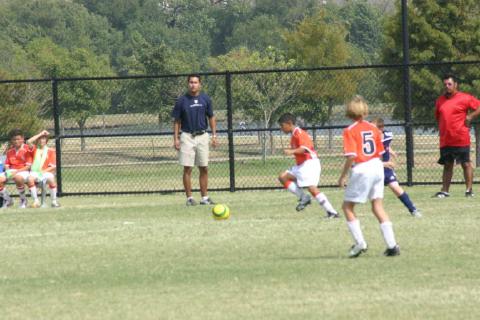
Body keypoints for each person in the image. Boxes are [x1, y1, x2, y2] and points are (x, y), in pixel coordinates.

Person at [338, 96, 399, 258]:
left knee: (347, 207)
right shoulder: (374, 129)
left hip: (362, 169)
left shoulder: (349, 130)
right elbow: (379, 153)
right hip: (377, 167)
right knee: (377, 206)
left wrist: (343, 176)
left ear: (349, 113)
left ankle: (360, 244)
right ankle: (392, 245)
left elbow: (351, 156)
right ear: (365, 111)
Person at [277, 113, 339, 218]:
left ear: (289, 123)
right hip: (302, 165)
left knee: (312, 188)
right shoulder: (294, 135)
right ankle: (304, 197)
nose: (281, 128)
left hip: (310, 164)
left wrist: (291, 151)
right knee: (283, 177)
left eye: (282, 125)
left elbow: (305, 149)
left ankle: (332, 212)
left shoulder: (299, 133)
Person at [172, 74, 218, 206]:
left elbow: (211, 117)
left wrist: (214, 136)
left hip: (202, 136)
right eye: (191, 82)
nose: (193, 84)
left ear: (200, 84)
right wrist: (176, 139)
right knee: (188, 168)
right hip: (187, 137)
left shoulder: (205, 99)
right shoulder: (182, 101)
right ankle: (190, 198)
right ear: (188, 84)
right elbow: (177, 121)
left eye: (196, 82)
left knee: (204, 167)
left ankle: (205, 198)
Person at [434, 74, 480, 198]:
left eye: (449, 84)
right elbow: (439, 118)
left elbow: (478, 107)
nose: (447, 86)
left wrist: (470, 116)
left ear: (455, 85)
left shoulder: (465, 98)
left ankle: (469, 190)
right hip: (446, 139)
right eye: (445, 84)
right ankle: (444, 191)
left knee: (466, 164)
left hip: (461, 138)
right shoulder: (440, 100)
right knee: (448, 164)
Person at [372, 118, 421, 218]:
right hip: (374, 168)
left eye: (373, 128)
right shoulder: (370, 140)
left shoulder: (387, 136)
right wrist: (382, 163)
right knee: (366, 192)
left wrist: (392, 152)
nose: (370, 130)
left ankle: (413, 209)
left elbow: (386, 146)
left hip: (386, 169)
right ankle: (348, 209)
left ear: (381, 128)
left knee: (395, 187)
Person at [0, 128, 38, 208]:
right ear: (11, 140)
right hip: (12, 171)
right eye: (14, 139)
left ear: (23, 139)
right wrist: (7, 171)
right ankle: (8, 200)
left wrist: (16, 172)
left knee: (18, 178)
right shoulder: (10, 151)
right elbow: (7, 164)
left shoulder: (27, 149)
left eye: (18, 139)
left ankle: (23, 200)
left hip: (23, 171)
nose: (16, 141)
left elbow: (28, 167)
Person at [27, 130, 60, 208]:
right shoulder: (35, 149)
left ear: (46, 141)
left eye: (44, 138)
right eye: (40, 139)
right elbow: (28, 141)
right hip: (35, 172)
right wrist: (40, 133)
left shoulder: (51, 151)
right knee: (30, 179)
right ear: (37, 140)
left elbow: (53, 166)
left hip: (45, 172)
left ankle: (54, 201)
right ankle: (36, 201)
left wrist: (42, 172)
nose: (42, 140)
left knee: (51, 179)